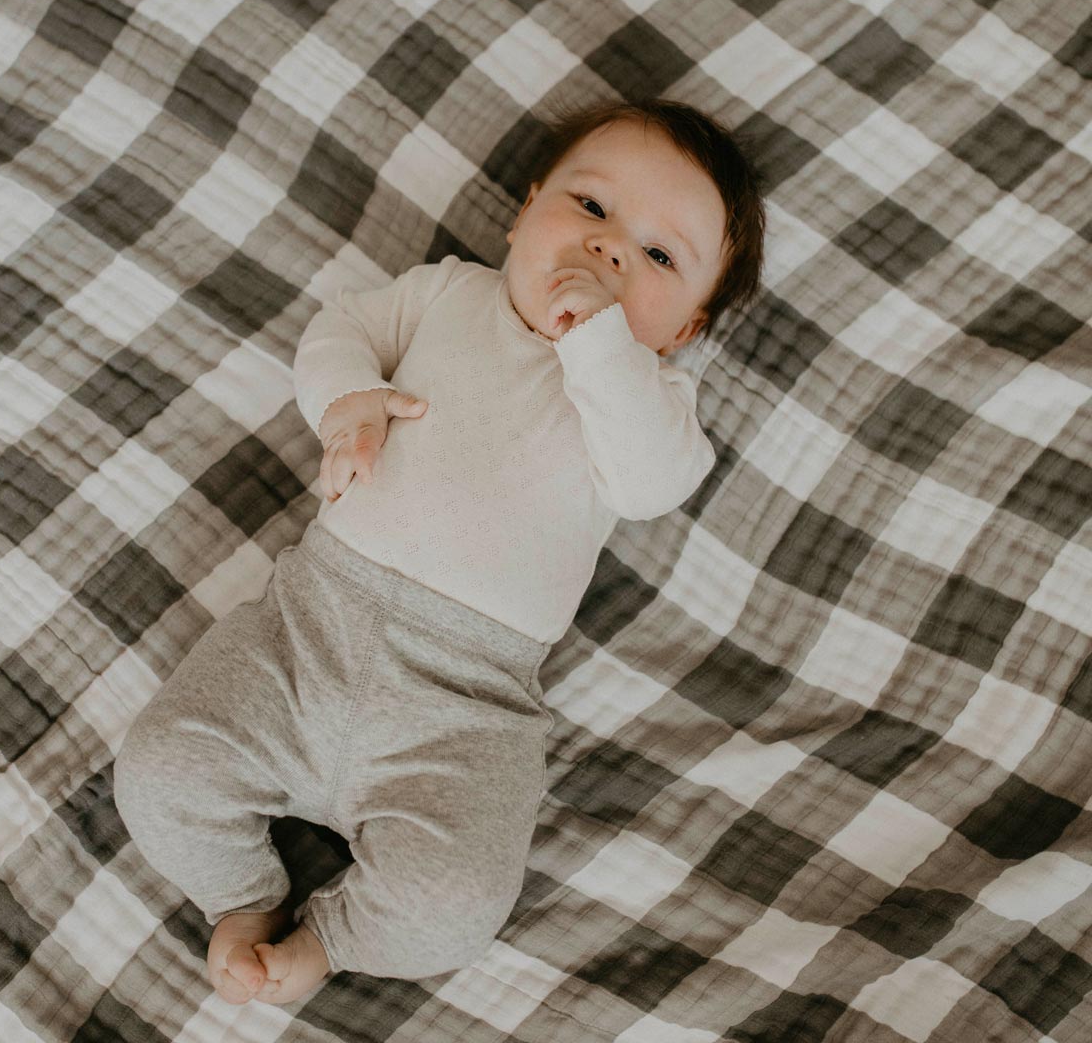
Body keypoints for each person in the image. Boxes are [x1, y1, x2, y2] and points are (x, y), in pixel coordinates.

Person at [114, 97, 765, 1005]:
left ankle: (328, 944)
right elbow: (340, 328)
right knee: (159, 770)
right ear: (523, 212)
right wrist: (346, 398)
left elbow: (652, 483)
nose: (611, 249)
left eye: (659, 257)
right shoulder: (446, 293)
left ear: (686, 328)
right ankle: (243, 899)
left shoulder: (648, 402)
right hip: (307, 631)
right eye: (590, 208)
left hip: (468, 706)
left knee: (454, 907)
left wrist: (604, 347)